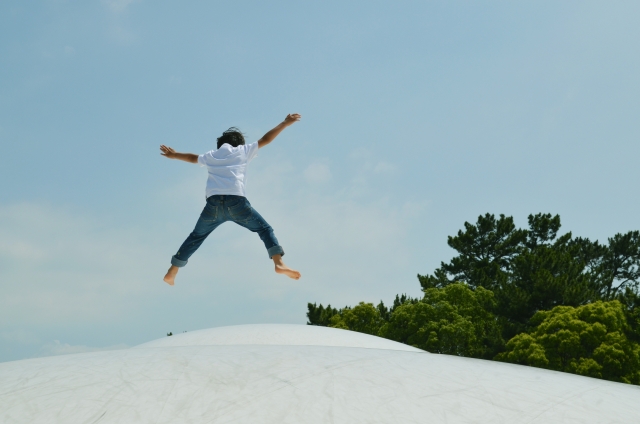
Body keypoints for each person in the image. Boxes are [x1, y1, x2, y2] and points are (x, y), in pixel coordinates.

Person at [160, 114, 302, 285]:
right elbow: (266, 139)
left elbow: (192, 158)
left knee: (196, 236)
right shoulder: (243, 150)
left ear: (220, 145)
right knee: (264, 229)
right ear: (239, 143)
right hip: (237, 203)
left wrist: (174, 155)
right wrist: (285, 123)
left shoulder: (211, 155)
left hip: (212, 206)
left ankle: (172, 270)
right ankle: (279, 263)